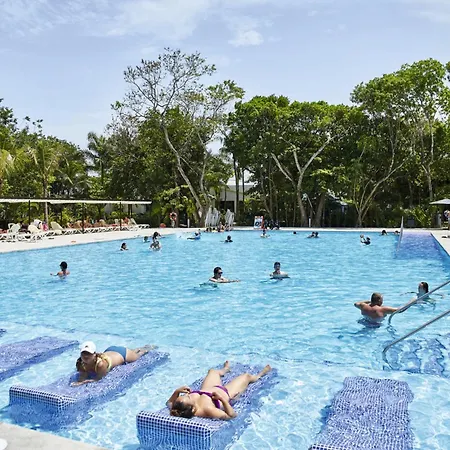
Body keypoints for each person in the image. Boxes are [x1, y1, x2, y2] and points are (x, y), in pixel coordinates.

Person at [167, 361, 272, 420]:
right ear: (193, 409)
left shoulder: (179, 408)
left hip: (207, 388)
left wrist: (176, 392)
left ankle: (225, 370)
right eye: (188, 397)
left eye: (184, 395)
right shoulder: (207, 410)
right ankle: (259, 375)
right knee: (246, 376)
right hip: (226, 392)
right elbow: (232, 416)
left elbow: (169, 403)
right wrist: (223, 400)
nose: (187, 394)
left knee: (212, 371)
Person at [71, 341, 155, 386]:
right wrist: (80, 381)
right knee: (133, 351)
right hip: (110, 350)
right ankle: (135, 349)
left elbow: (99, 379)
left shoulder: (101, 364)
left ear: (94, 354)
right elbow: (82, 375)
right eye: (84, 353)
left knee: (139, 355)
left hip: (122, 354)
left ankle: (147, 348)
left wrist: (84, 382)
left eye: (89, 354)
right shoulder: (80, 362)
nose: (86, 356)